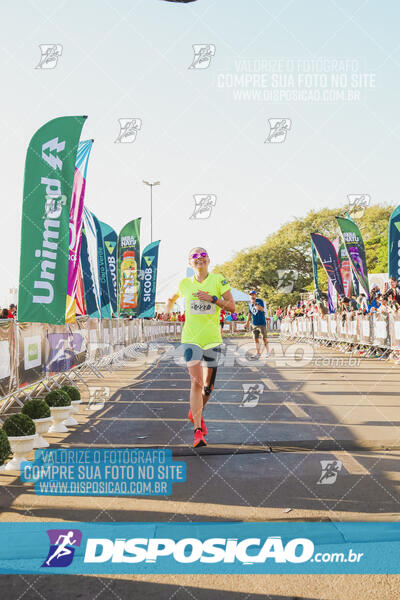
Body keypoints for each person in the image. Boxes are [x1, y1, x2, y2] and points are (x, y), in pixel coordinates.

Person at [167, 247, 235, 448]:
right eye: (195, 256)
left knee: (208, 387)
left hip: (213, 339)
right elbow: (171, 299)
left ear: (209, 260)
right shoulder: (184, 283)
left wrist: (213, 299)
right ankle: (198, 430)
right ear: (190, 262)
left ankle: (194, 412)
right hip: (190, 339)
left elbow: (232, 306)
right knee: (195, 382)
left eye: (203, 255)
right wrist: (167, 310)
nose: (199, 258)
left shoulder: (218, 280)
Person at [245, 290, 270, 357]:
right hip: (254, 324)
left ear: (255, 295)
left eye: (253, 294)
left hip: (262, 323)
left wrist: (255, 304)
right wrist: (247, 323)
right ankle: (258, 353)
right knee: (255, 338)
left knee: (264, 338)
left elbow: (262, 309)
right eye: (250, 295)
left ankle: (268, 352)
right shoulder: (249, 303)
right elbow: (250, 313)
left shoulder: (260, 301)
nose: (252, 296)